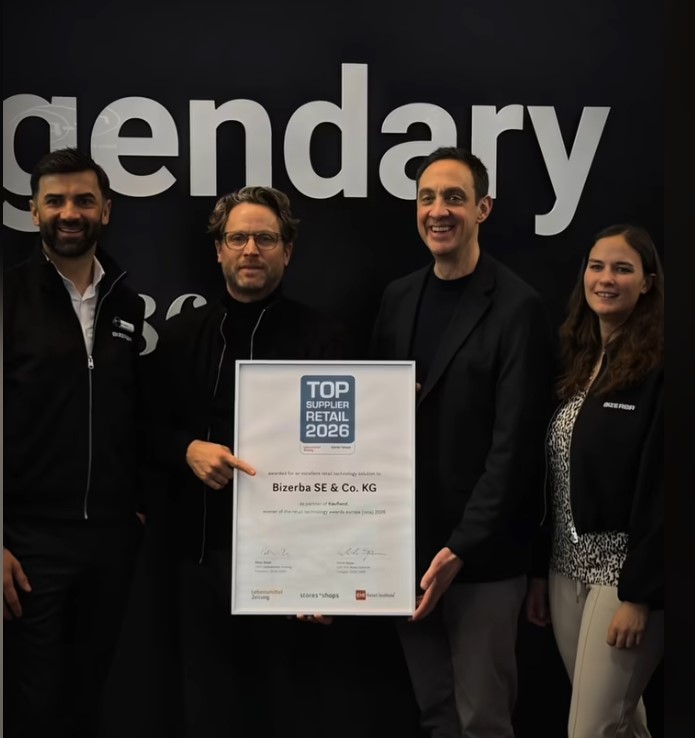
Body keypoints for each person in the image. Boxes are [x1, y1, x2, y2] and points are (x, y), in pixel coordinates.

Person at [142, 185, 361, 738]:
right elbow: (143, 429)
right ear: (218, 249)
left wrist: (327, 574)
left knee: (288, 715)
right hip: (199, 561)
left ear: (288, 250)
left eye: (265, 238)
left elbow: (348, 464)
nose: (250, 250)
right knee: (208, 715)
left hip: (290, 569)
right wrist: (187, 449)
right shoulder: (180, 335)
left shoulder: (326, 338)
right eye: (237, 238)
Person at [370, 146, 554, 737]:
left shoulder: (518, 307)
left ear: (483, 208)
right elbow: (373, 423)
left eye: (454, 197)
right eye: (427, 198)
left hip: (481, 558)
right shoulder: (398, 297)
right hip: (407, 550)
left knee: (482, 719)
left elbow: (514, 449)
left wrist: (461, 547)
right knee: (437, 714)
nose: (438, 211)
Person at [3, 147, 146, 738]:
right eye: (55, 201)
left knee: (92, 699)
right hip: (27, 543)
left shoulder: (125, 300)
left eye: (84, 200)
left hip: (109, 541)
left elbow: (130, 411)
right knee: (33, 706)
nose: (70, 212)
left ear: (105, 211)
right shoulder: (7, 296)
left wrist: (133, 508)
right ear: (33, 210)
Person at [525, 224, 664, 738]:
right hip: (565, 570)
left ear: (647, 283)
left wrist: (639, 596)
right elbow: (555, 479)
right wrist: (541, 572)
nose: (606, 278)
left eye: (623, 269)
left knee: (591, 729)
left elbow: (664, 491)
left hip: (623, 576)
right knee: (622, 725)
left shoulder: (660, 369)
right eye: (597, 266)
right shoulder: (579, 362)